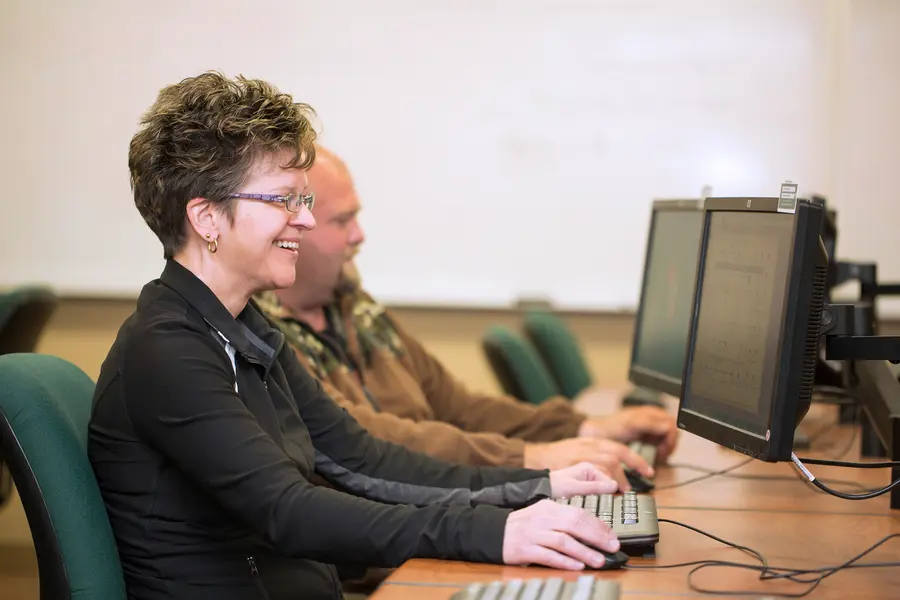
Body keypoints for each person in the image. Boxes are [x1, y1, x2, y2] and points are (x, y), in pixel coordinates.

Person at [87, 71, 624, 600]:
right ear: (206, 217)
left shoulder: (245, 329)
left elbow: (363, 460)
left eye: (306, 201)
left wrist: (536, 489)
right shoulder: (167, 350)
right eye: (283, 201)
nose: (304, 221)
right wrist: (495, 533)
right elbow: (288, 511)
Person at [255, 146, 679, 492]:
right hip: (384, 548)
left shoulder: (359, 311)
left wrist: (584, 428)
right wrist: (529, 459)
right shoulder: (264, 338)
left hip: (441, 507)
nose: (359, 235)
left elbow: (458, 408)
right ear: (293, 225)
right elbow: (368, 441)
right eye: (342, 220)